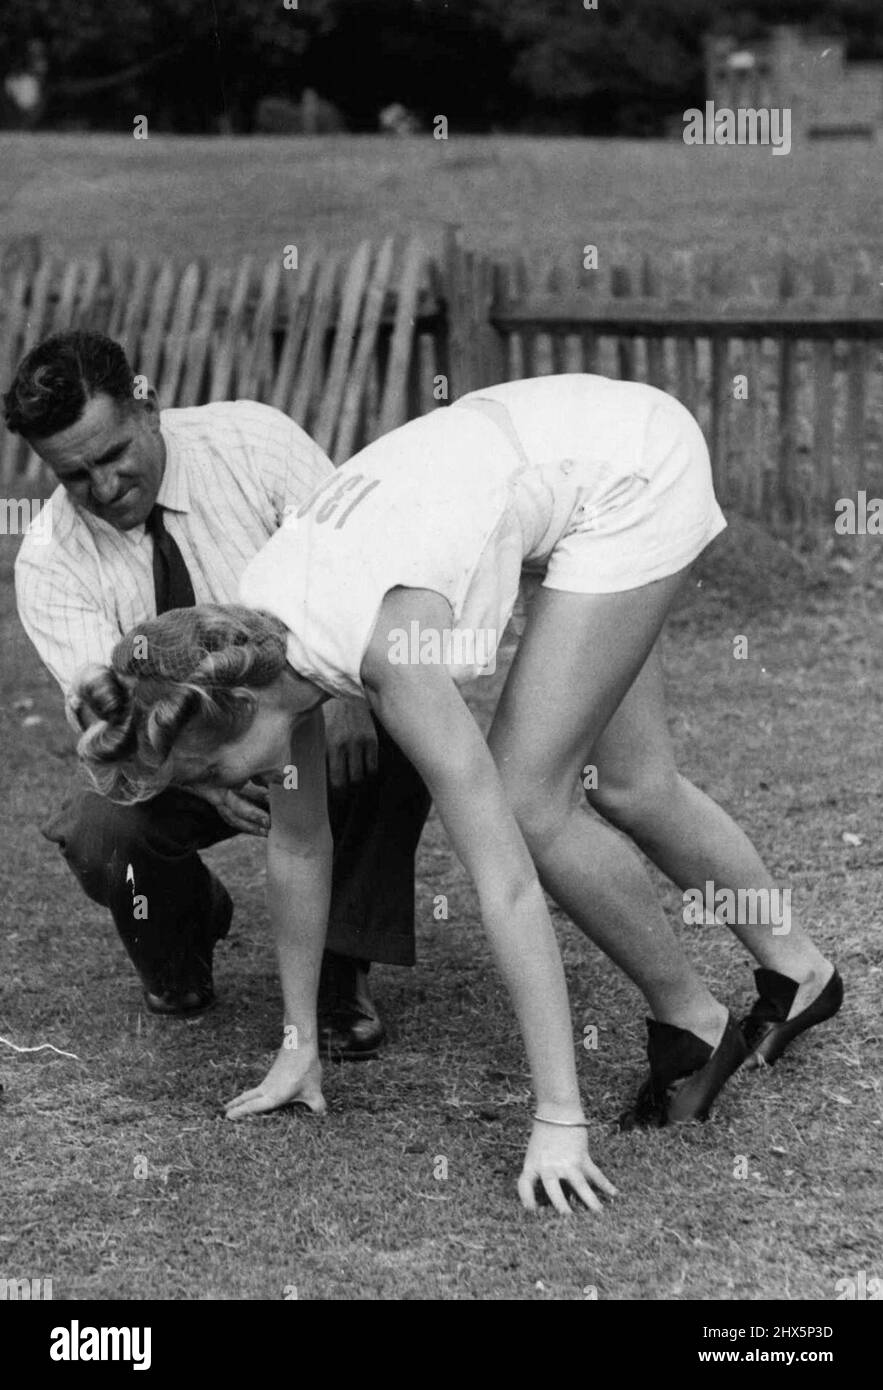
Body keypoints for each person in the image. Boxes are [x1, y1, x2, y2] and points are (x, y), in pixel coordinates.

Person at [71, 374, 842, 1214]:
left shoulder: (386, 653)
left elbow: (504, 883)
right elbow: (298, 845)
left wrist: (557, 1115)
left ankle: (691, 1028)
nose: (234, 788)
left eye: (214, 770)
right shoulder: (253, 644)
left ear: (242, 713)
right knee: (630, 782)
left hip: (627, 470)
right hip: (560, 451)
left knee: (526, 802)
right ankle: (800, 971)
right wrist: (299, 1042)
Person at [5, 330, 431, 1051]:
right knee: (100, 828)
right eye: (76, 477)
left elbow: (357, 571)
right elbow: (110, 725)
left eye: (113, 456)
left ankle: (338, 966)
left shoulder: (253, 442)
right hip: (178, 756)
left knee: (402, 727)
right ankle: (182, 937)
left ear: (148, 408)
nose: (104, 490)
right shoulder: (49, 562)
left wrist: (353, 694)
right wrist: (199, 782)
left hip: (311, 716)